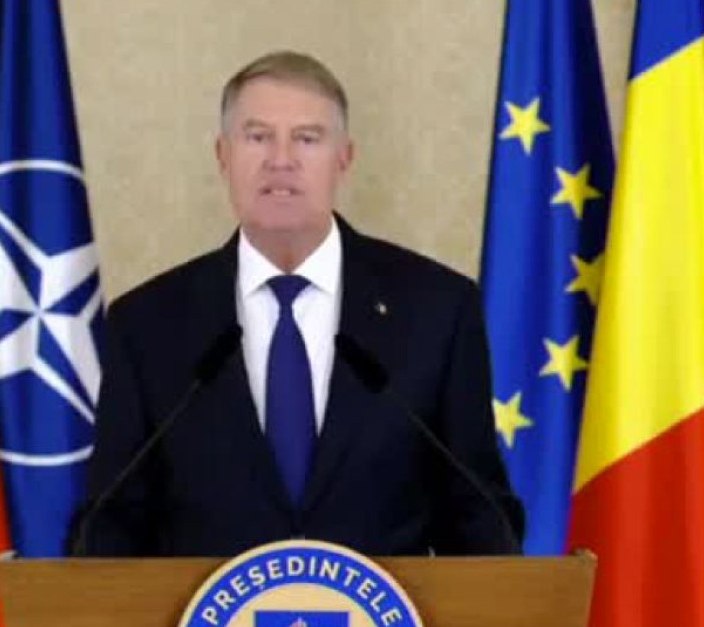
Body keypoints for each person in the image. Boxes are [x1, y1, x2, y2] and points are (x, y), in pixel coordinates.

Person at [83, 50, 524, 557]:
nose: (281, 160)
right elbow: (109, 526)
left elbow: (479, 516)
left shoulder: (437, 311)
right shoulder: (147, 324)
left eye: (307, 138)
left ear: (345, 158)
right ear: (223, 155)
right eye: (257, 137)